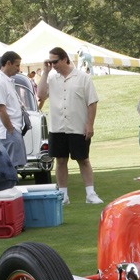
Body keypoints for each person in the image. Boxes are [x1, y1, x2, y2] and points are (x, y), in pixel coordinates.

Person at [37, 46, 103, 205]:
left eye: (55, 61)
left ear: (65, 59)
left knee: (83, 159)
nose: (53, 65)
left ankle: (90, 193)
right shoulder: (51, 78)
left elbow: (92, 103)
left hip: (78, 126)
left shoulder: (83, 77)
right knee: (60, 160)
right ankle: (63, 195)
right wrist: (45, 72)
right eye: (51, 62)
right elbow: (40, 95)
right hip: (58, 127)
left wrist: (89, 124)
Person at [0, 50, 27, 169]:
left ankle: (11, 187)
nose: (18, 69)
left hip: (13, 129)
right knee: (10, 166)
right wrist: (11, 130)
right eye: (16, 65)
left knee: (15, 166)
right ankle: (9, 187)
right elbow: (1, 109)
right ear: (8, 63)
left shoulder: (6, 81)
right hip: (8, 132)